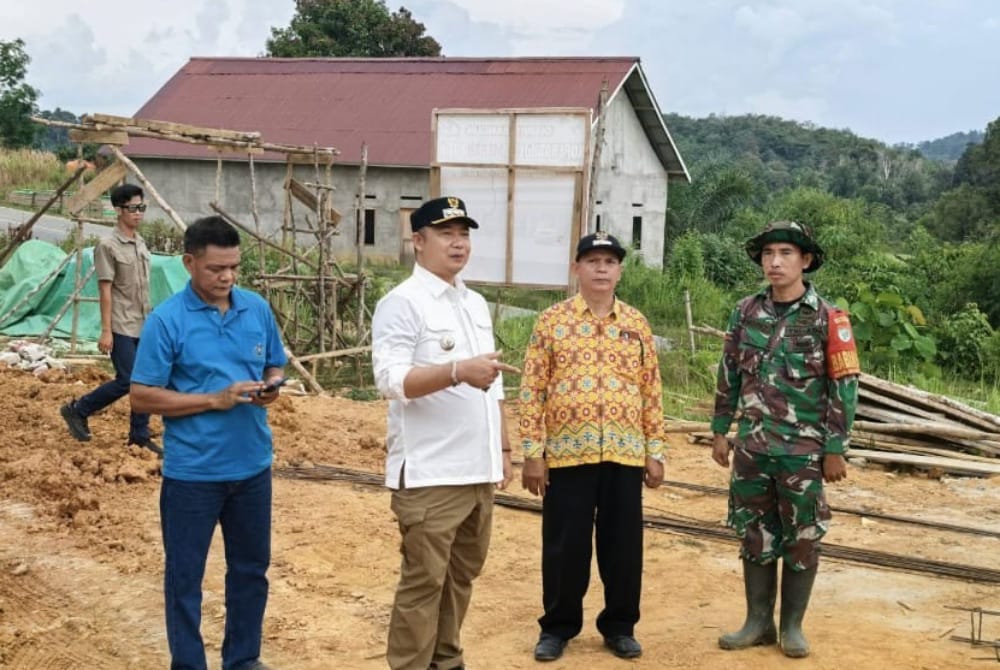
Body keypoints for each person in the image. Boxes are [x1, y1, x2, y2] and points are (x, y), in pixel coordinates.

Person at [129, 215, 287, 670]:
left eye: (234, 267)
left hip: (253, 467)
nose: (227, 277)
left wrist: (272, 385)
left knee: (251, 572)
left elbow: (274, 364)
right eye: (216, 268)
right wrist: (213, 400)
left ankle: (243, 660)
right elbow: (141, 394)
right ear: (188, 263)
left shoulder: (255, 309)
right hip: (193, 476)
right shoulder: (167, 321)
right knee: (185, 579)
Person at [371, 196, 518, 670]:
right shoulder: (402, 304)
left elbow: (491, 381)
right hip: (432, 474)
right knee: (423, 583)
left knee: (461, 576)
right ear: (418, 241)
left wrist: (504, 447)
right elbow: (391, 381)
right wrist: (454, 370)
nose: (459, 243)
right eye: (446, 233)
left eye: (464, 233)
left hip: (478, 469)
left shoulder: (473, 302)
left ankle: (447, 659)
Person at [711, 220, 859, 659]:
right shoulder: (745, 311)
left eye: (786, 253)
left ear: (806, 260)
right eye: (768, 253)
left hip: (804, 453)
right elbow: (729, 373)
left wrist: (835, 447)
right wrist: (720, 430)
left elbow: (844, 386)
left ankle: (792, 626)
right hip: (753, 448)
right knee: (754, 534)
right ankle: (758, 622)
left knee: (802, 536)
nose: (774, 262)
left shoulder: (830, 318)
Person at [519, 231, 667, 662]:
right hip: (567, 454)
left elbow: (651, 390)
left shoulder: (636, 324)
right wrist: (533, 452)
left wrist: (654, 450)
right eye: (592, 261)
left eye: (609, 262)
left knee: (623, 546)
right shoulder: (552, 322)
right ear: (577, 268)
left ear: (620, 270)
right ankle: (558, 627)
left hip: (624, 452)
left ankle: (620, 626)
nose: (601, 269)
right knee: (566, 546)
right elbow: (532, 389)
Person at [60, 183, 160, 454]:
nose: (138, 213)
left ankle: (139, 436)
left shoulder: (140, 243)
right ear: (118, 210)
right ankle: (78, 409)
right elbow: (105, 290)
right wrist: (106, 331)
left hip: (142, 323)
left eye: (142, 208)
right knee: (128, 380)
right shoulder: (107, 246)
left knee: (146, 380)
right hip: (120, 324)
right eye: (132, 208)